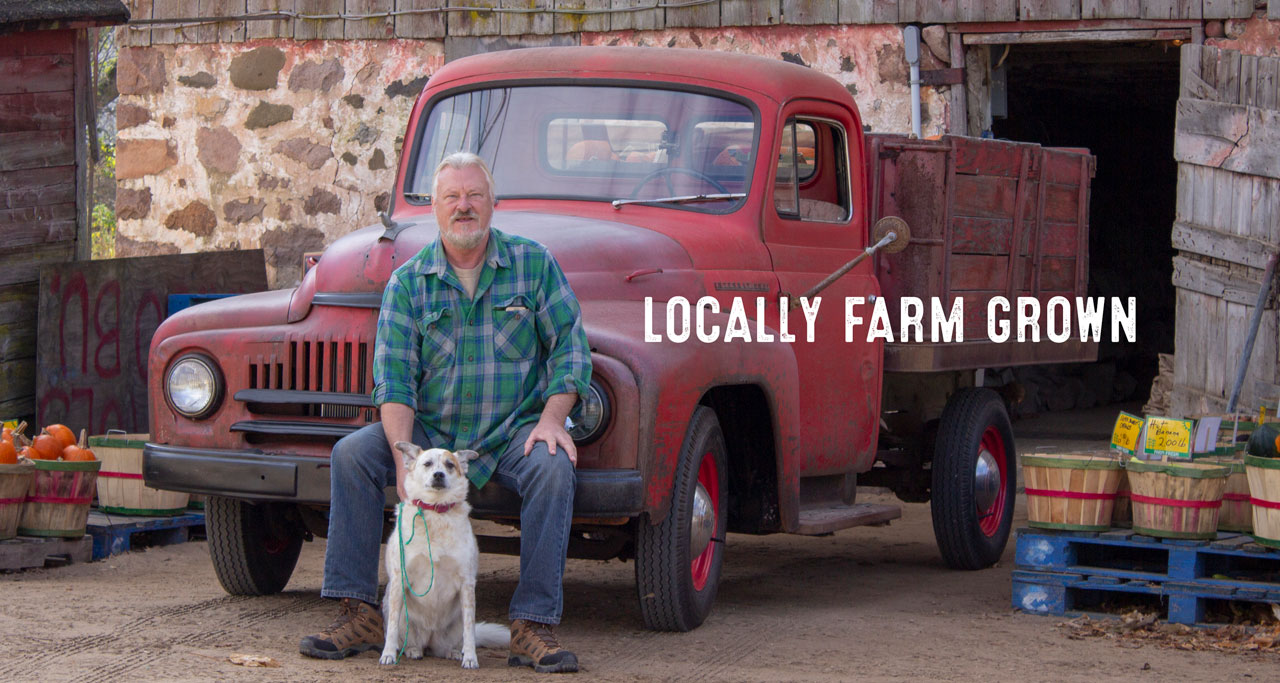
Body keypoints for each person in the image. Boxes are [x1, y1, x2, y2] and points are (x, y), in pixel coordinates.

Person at [299, 152, 591, 674]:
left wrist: (551, 420)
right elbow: (393, 379)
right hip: (431, 437)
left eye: (474, 195)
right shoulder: (409, 283)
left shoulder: (534, 263)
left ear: (492, 203)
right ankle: (359, 612)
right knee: (351, 455)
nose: (464, 206)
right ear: (432, 209)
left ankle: (533, 625)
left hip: (511, 434)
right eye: (451, 197)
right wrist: (402, 459)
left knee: (553, 466)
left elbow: (571, 348)